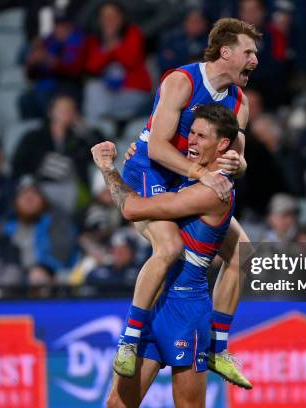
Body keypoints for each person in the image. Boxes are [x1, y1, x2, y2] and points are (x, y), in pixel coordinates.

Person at [116, 17, 260, 386]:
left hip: (187, 178)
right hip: (152, 171)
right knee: (168, 248)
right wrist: (201, 174)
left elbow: (240, 159)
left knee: (244, 253)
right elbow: (160, 146)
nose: (255, 61)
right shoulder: (182, 81)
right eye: (249, 53)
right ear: (226, 53)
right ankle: (130, 340)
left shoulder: (239, 102)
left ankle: (218, 347)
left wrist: (235, 164)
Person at [91, 104, 247, 407]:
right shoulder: (191, 178)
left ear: (223, 145)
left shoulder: (211, 192)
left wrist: (109, 170)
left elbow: (133, 209)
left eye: (202, 136)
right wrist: (141, 159)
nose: (191, 141)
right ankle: (220, 347)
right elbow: (164, 159)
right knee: (117, 405)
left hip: (187, 312)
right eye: (191, 133)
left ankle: (219, 347)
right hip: (157, 303)